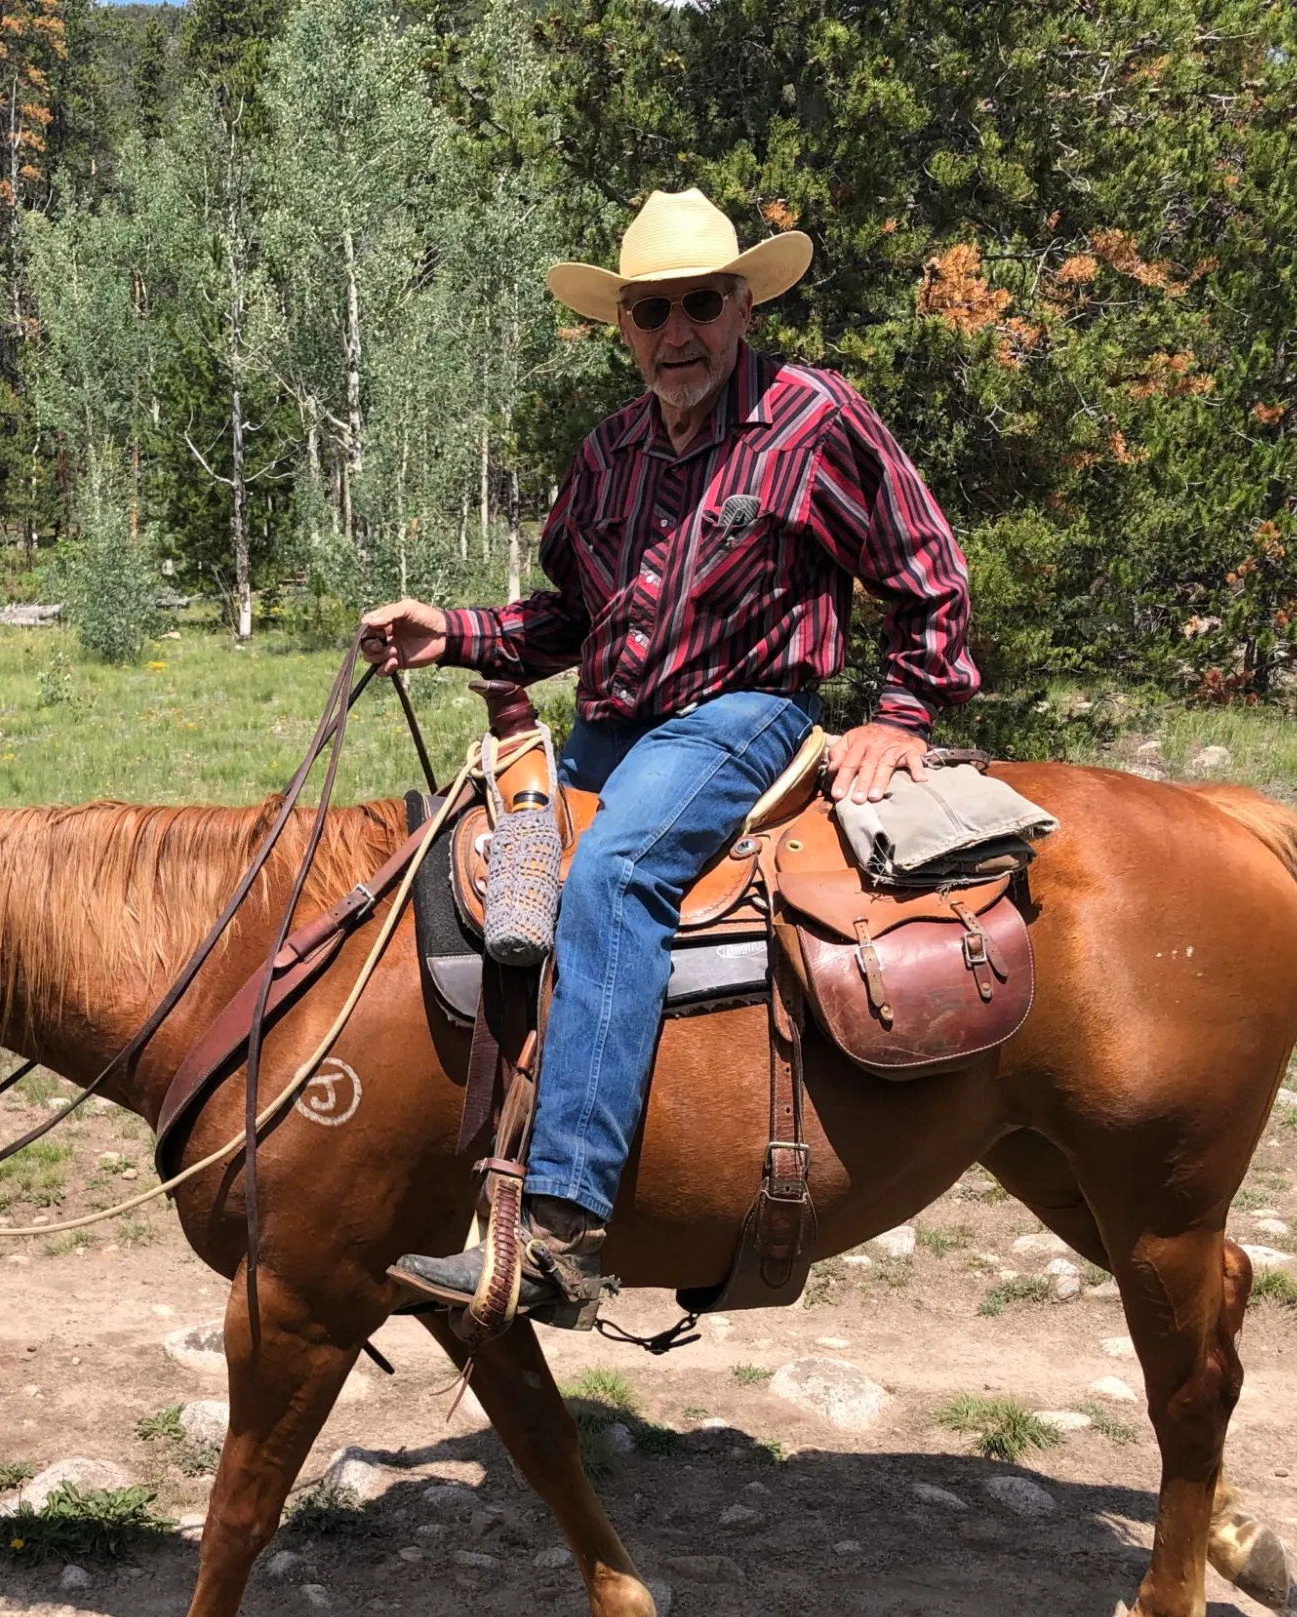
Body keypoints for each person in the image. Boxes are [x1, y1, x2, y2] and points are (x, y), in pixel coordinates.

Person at [362, 188, 979, 1327]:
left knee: (617, 873)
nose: (676, 332)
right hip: (614, 721)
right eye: (651, 312)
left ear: (744, 305)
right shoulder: (609, 454)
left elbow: (925, 568)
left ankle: (562, 1231)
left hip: (744, 714)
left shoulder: (811, 418)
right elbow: (566, 619)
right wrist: (451, 632)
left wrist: (904, 712)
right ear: (625, 327)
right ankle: (470, 1154)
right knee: (492, 870)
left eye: (701, 304)